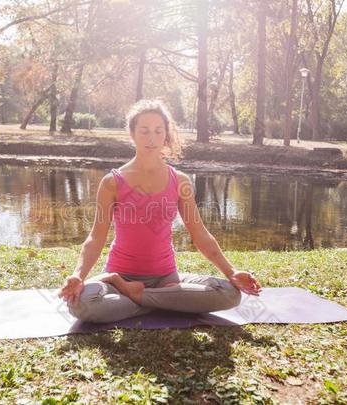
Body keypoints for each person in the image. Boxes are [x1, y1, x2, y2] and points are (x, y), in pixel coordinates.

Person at [58, 99, 262, 323]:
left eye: (158, 131)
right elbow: (95, 238)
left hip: (166, 279)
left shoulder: (180, 181)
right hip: (120, 277)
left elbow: (200, 234)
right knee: (82, 305)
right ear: (132, 134)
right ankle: (163, 301)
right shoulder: (112, 183)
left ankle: (139, 296)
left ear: (166, 134)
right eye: (144, 131)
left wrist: (231, 272)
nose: (151, 138)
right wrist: (78, 275)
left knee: (230, 294)